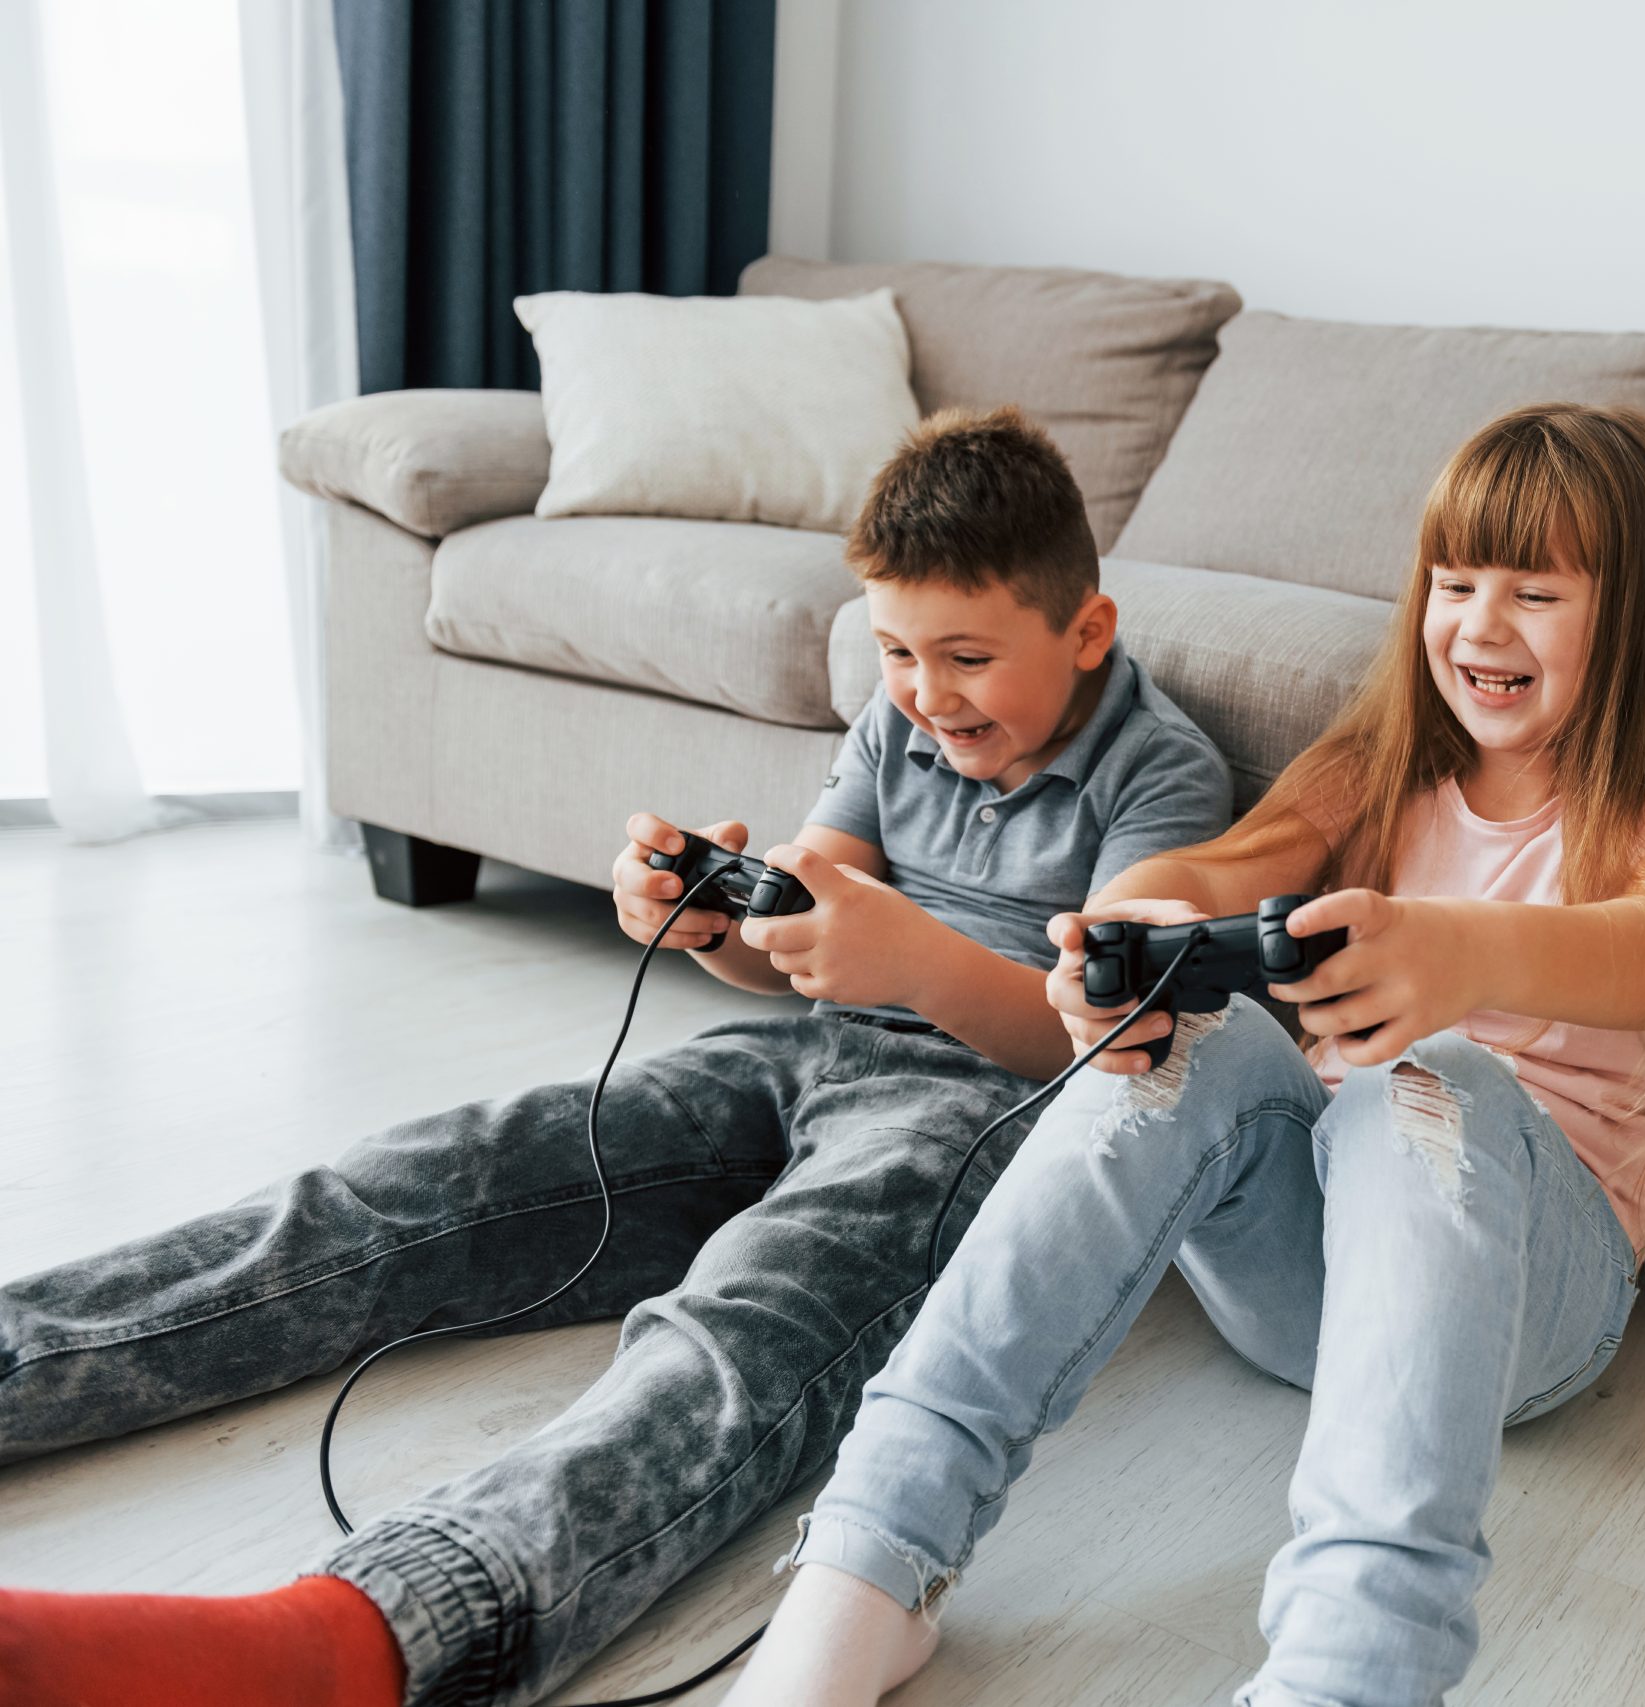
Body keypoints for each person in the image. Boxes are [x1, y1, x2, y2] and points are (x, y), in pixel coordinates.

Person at [0, 407, 1233, 1707]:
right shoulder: (897, 722)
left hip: (980, 1117)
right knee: (432, 1174)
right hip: (806, 1052)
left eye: (967, 658)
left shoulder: (1162, 775)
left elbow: (1100, 1042)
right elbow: (792, 939)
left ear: (1086, 630)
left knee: (750, 1319)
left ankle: (365, 1637)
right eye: (896, 653)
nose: (926, 696)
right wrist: (708, 925)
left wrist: (919, 963)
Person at [728, 402, 1645, 1707]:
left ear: (1637, 616)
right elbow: (1223, 867)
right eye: (1455, 583)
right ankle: (867, 1569)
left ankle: (1352, 1676)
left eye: (1535, 593)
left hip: (1534, 1303)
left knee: (1430, 1077)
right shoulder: (1381, 768)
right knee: (1198, 1033)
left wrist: (1460, 955)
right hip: (1314, 1278)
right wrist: (1133, 926)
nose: (1480, 626)